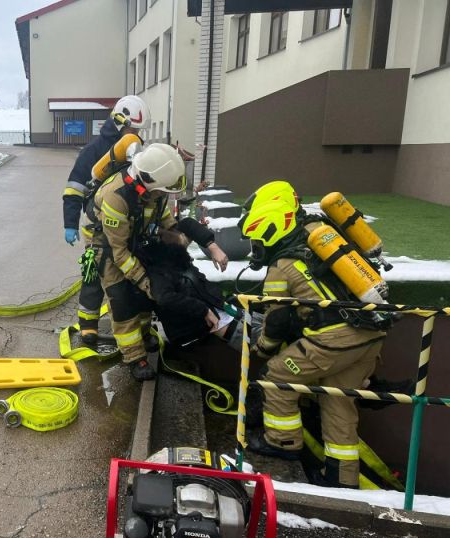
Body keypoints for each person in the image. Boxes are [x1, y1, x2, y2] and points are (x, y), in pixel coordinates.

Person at [239, 181, 389, 488]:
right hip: (371, 332)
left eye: (256, 240)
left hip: (334, 340)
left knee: (276, 377)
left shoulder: (281, 266)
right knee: (338, 402)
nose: (256, 248)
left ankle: (282, 442)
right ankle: (341, 478)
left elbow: (277, 320)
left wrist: (264, 349)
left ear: (269, 230)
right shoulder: (321, 232)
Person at [87, 143, 229, 381]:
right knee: (122, 299)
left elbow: (167, 221)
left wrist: (192, 241)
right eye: (161, 191)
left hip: (135, 240)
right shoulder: (116, 197)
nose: (163, 195)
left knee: (144, 297)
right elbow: (119, 253)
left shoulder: (153, 192)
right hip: (108, 247)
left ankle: (144, 335)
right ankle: (134, 357)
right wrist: (146, 282)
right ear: (147, 181)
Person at [63, 95, 149, 345]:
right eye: (133, 129)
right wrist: (70, 224)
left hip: (125, 222)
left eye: (138, 130)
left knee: (129, 272)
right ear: (120, 123)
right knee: (95, 272)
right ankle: (88, 325)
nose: (136, 134)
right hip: (96, 224)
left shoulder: (136, 149)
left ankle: (139, 324)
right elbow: (74, 189)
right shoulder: (94, 151)